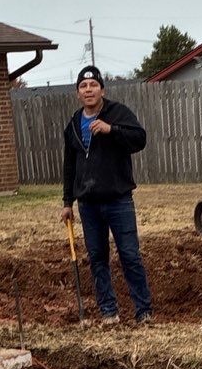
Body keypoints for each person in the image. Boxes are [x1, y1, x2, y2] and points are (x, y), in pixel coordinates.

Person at [62, 65, 153, 327]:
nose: (88, 90)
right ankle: (109, 312)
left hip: (118, 200)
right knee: (98, 258)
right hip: (88, 204)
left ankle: (143, 311)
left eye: (93, 85)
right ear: (78, 93)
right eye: (83, 86)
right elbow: (70, 166)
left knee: (129, 255)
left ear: (102, 89)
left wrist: (111, 130)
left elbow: (140, 139)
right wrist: (68, 203)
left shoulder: (118, 113)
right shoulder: (73, 125)